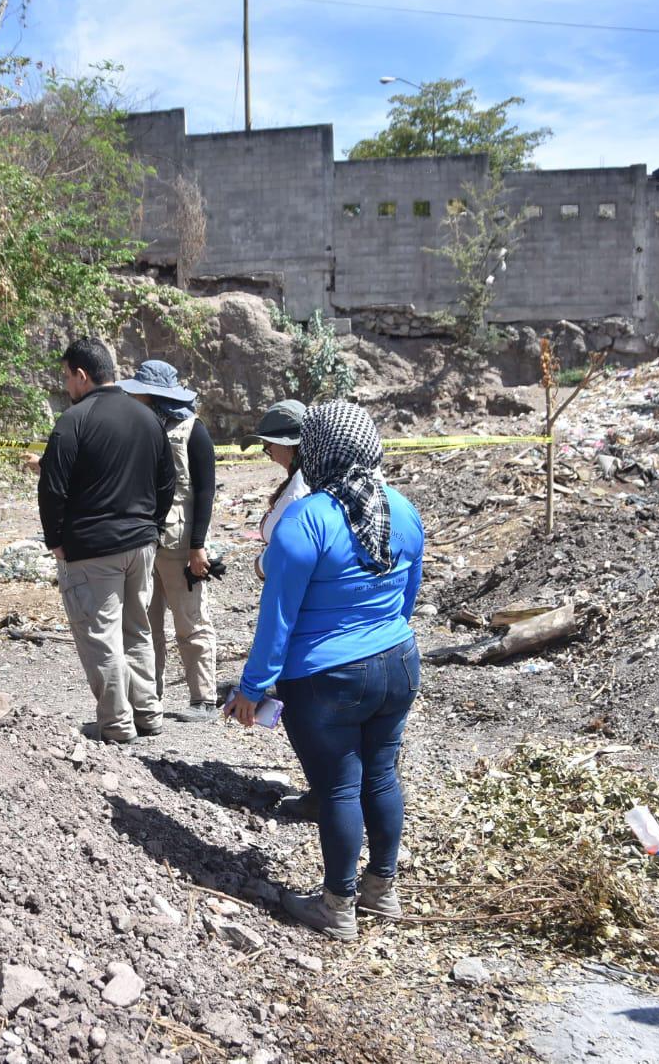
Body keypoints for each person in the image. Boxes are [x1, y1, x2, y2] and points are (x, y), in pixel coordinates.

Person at [227, 401, 425, 941]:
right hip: (398, 663)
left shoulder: (306, 520)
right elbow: (407, 599)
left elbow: (279, 618)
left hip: (327, 678)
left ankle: (337, 906)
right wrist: (381, 643)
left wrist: (253, 688)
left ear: (317, 451)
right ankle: (382, 889)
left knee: (340, 786)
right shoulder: (402, 511)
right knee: (381, 774)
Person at [38, 338, 177, 744]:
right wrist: (151, 524)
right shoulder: (147, 418)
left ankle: (116, 724)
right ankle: (148, 713)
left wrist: (55, 540)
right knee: (137, 629)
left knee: (101, 634)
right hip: (140, 545)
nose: (66, 386)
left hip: (92, 551)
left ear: (82, 375)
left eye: (67, 377)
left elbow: (52, 488)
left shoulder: (72, 421)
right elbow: (166, 481)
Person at [117, 360, 219, 722]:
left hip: (179, 546)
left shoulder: (193, 430)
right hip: (144, 541)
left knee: (191, 621)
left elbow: (205, 492)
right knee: (146, 624)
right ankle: (148, 698)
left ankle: (203, 699)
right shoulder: (139, 427)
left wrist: (198, 546)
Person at [239, 399, 308, 581]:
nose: (270, 458)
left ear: (287, 445)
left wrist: (261, 564)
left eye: (268, 449)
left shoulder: (298, 491)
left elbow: (290, 548)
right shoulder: (302, 480)